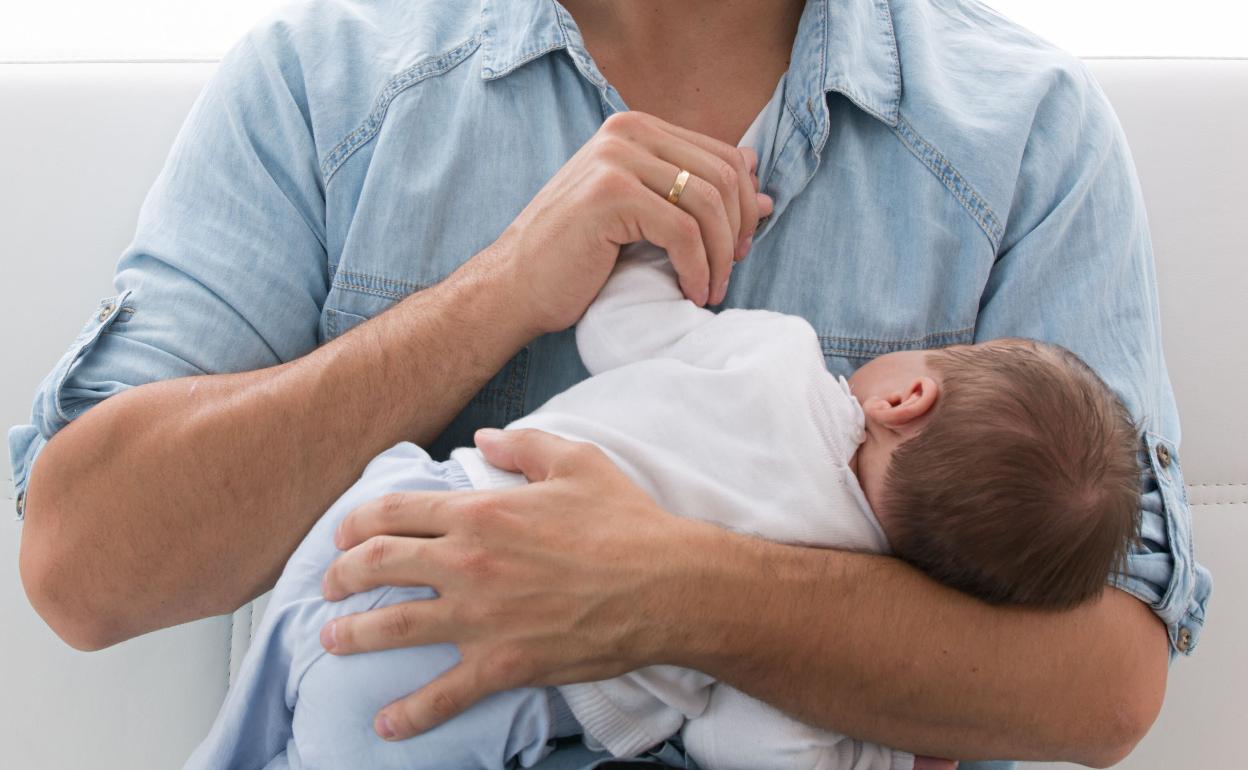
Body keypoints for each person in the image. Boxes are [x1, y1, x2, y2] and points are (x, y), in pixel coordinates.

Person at [11, 2, 1210, 768]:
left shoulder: (1029, 136)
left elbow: (1103, 684)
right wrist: (496, 292)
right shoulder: (320, 89)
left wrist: (664, 589)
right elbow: (85, 564)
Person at [184, 239, 1140, 770]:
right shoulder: (832, 611)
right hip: (473, 685)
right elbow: (745, 746)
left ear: (907, 396)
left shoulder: (781, 359)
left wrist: (645, 246)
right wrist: (886, 756)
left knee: (260, 697)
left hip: (409, 507)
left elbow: (621, 326)